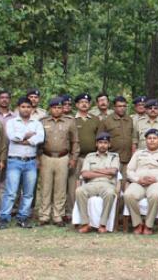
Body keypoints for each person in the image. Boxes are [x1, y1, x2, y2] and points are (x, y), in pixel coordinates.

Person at [0, 97, 45, 229]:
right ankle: (4, 218)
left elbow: (40, 137)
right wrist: (28, 135)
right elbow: (12, 136)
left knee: (28, 192)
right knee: (11, 191)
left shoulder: (37, 123)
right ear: (19, 108)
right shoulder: (12, 122)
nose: (26, 109)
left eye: (28, 107)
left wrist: (25, 140)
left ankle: (23, 217)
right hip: (14, 160)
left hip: (30, 161)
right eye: (23, 107)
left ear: (32, 109)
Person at [124, 129, 158, 235]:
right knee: (128, 194)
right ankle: (137, 223)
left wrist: (157, 179)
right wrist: (137, 179)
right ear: (146, 140)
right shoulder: (138, 153)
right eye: (149, 138)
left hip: (156, 182)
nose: (152, 141)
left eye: (154, 138)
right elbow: (129, 170)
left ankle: (148, 225)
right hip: (139, 182)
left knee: (156, 195)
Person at [38, 97, 79, 226]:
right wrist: (37, 158)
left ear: (63, 109)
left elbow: (75, 141)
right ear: (50, 109)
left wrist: (73, 158)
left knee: (60, 188)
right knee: (45, 187)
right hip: (46, 157)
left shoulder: (69, 121)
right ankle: (44, 215)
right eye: (54, 107)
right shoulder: (42, 121)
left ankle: (58, 216)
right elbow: (38, 142)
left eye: (59, 107)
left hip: (63, 157)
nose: (57, 110)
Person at [75, 132, 120, 234]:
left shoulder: (114, 156)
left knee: (109, 193)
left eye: (105, 142)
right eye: (100, 142)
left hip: (107, 184)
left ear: (109, 144)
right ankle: (85, 224)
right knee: (79, 191)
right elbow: (85, 174)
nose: (102, 145)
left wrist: (94, 171)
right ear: (96, 144)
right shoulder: (89, 156)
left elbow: (113, 172)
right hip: (91, 184)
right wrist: (105, 172)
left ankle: (103, 224)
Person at [66, 93, 101, 222]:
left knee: (92, 184)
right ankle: (72, 212)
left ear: (90, 104)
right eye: (81, 102)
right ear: (76, 105)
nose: (84, 104)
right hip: (76, 157)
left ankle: (90, 213)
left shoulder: (95, 119)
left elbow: (100, 138)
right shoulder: (71, 120)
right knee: (73, 185)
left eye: (86, 102)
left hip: (92, 157)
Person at [97, 96, 133, 178]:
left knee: (125, 184)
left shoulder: (130, 120)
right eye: (119, 106)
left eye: (124, 106)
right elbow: (99, 140)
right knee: (112, 183)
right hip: (112, 159)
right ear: (114, 107)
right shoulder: (106, 121)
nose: (122, 108)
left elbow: (133, 138)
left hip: (128, 158)